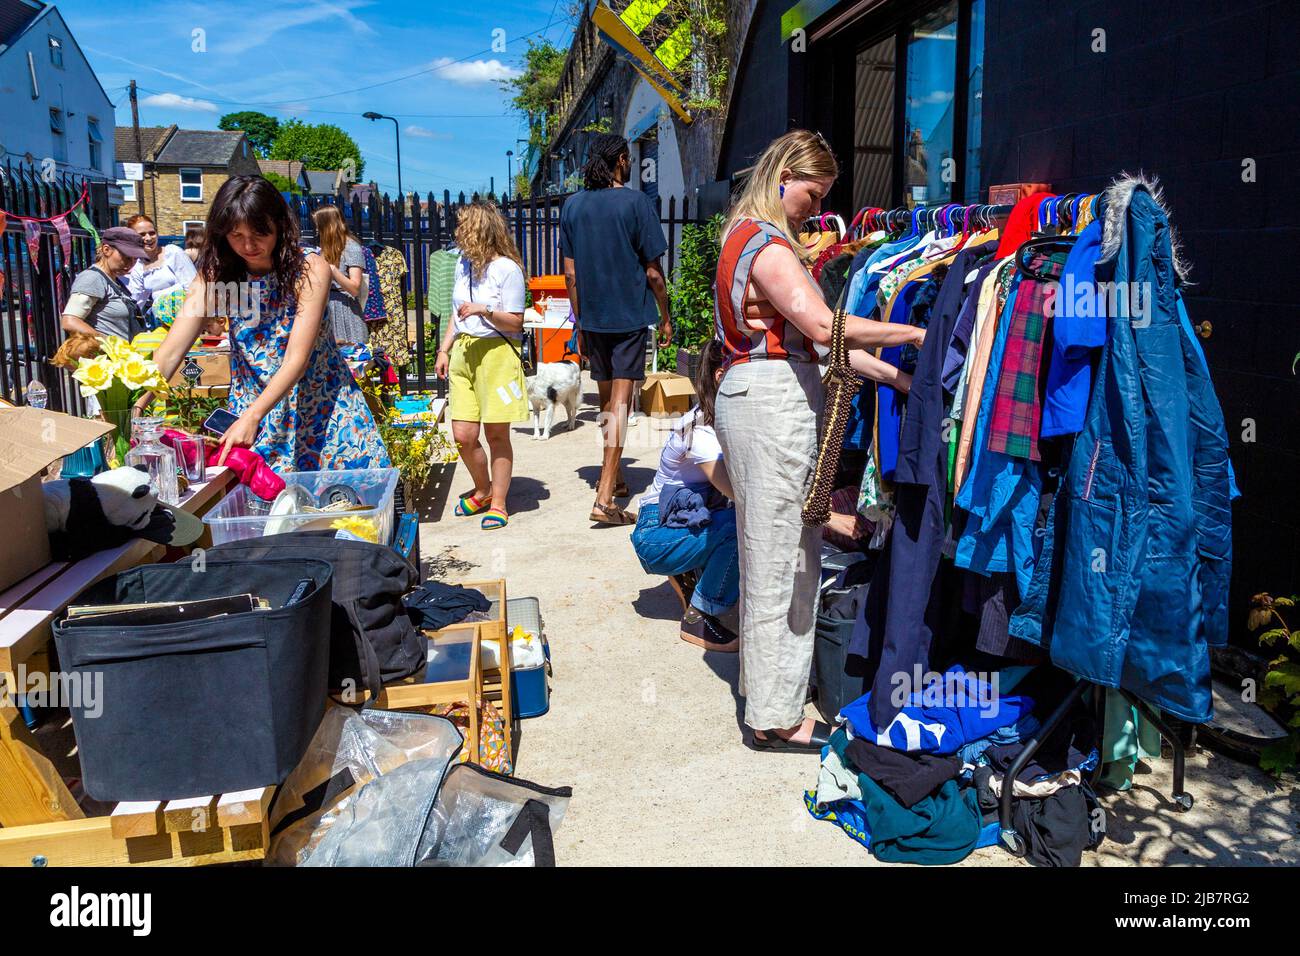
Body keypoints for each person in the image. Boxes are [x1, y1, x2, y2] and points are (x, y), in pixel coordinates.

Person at [713, 129, 923, 752]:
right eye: (814, 190)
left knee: (774, 553)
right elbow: (825, 327)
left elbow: (824, 345)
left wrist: (901, 379)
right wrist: (910, 335)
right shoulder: (770, 246)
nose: (816, 204)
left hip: (755, 397)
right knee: (784, 559)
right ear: (784, 175)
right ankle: (775, 717)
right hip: (772, 403)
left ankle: (769, 696)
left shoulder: (741, 235)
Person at [151, 175, 389, 472]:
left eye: (259, 233)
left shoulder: (308, 269)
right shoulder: (215, 276)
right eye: (236, 235)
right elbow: (172, 351)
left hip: (321, 413)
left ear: (279, 225)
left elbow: (296, 359)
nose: (248, 245)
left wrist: (252, 416)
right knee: (261, 510)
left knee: (342, 511)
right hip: (254, 416)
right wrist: (136, 404)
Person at [559, 133, 672, 527]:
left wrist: (581, 322)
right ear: (622, 160)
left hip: (592, 318)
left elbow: (571, 274)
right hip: (627, 318)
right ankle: (605, 497)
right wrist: (666, 314)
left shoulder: (572, 206)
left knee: (607, 401)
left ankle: (617, 477)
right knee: (622, 404)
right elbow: (654, 273)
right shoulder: (637, 203)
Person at [630, 339, 740, 651]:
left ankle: (689, 571)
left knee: (732, 520)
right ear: (721, 377)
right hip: (655, 533)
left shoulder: (715, 418)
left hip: (674, 521)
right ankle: (701, 615)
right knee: (740, 525)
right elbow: (738, 494)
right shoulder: (702, 432)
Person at [433, 201, 528, 531]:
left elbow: (516, 322)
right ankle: (483, 490)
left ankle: (498, 502)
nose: (457, 232)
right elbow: (456, 313)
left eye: (463, 226)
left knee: (496, 433)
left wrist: (485, 310)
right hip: (464, 352)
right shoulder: (462, 263)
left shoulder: (508, 269)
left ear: (480, 229)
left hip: (497, 355)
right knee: (463, 434)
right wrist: (444, 349)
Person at [61, 226, 150, 340]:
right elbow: (70, 321)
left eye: (135, 258)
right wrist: (109, 345)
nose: (131, 264)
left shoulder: (114, 280)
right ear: (106, 250)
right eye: (127, 257)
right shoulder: (92, 278)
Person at [124, 214, 198, 323]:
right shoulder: (138, 267)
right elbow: (136, 301)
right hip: (161, 321)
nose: (148, 238)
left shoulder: (173, 253)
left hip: (186, 317)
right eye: (142, 234)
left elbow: (193, 287)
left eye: (152, 233)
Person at [311, 205, 369, 345]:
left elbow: (355, 288)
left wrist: (332, 270)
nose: (317, 230)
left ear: (327, 225)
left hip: (345, 310)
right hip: (326, 306)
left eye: (319, 225)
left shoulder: (351, 247)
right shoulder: (324, 249)